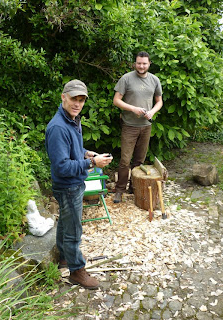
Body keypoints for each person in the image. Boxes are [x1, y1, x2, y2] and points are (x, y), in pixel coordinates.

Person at [45, 79, 113, 289]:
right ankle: (77, 271)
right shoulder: (58, 127)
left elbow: (72, 151)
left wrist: (88, 153)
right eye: (74, 98)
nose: (77, 103)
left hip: (73, 184)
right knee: (74, 230)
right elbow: (62, 167)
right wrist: (92, 162)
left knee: (66, 222)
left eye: (81, 99)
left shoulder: (72, 120)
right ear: (63, 97)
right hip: (68, 186)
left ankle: (64, 257)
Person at [113, 51, 163, 203]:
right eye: (139, 63)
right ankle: (119, 190)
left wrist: (152, 112)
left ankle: (133, 187)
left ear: (149, 64)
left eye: (144, 63)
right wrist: (132, 109)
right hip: (129, 125)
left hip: (146, 126)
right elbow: (116, 100)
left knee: (139, 161)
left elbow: (159, 101)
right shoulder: (126, 78)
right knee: (125, 161)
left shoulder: (155, 80)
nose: (141, 66)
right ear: (135, 63)